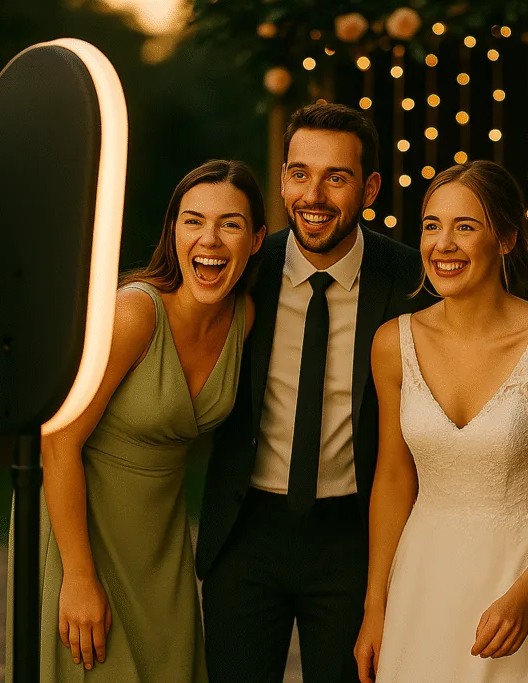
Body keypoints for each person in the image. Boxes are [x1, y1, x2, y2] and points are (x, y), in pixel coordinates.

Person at [4, 159, 267, 683]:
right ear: (173, 233)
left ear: (257, 239)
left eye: (230, 224)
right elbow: (57, 441)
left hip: (161, 548)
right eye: (193, 221)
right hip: (82, 533)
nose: (209, 239)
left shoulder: (244, 318)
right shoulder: (135, 313)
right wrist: (77, 578)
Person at [196, 103, 427, 683]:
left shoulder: (411, 282)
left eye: (337, 177)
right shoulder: (243, 267)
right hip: (246, 532)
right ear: (281, 179)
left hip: (354, 539)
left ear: (370, 187)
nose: (314, 194)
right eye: (300, 173)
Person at [354, 160, 528, 682]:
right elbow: (394, 479)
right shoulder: (391, 344)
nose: (443, 244)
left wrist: (527, 595)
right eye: (431, 226)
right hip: (424, 586)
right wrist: (375, 605)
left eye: (465, 227)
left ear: (507, 239)